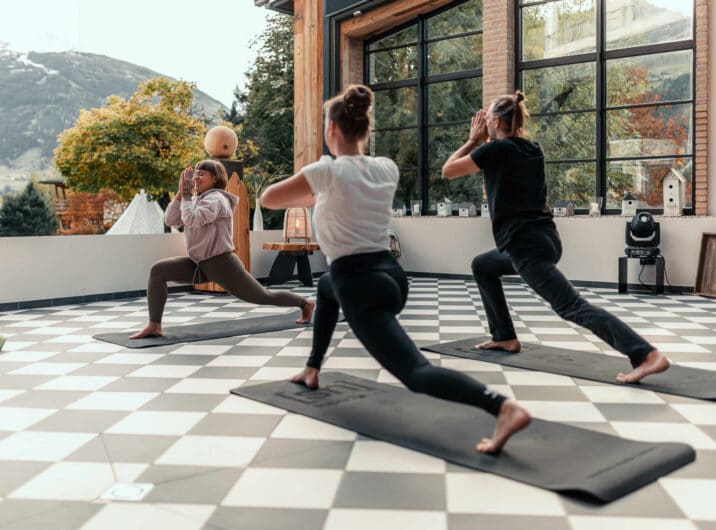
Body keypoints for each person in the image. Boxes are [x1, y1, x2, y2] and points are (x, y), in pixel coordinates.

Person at [260, 84, 531, 454]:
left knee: (415, 373)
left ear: (332, 130)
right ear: (365, 129)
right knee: (325, 290)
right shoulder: (384, 168)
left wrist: (317, 189)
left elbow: (269, 198)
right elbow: (348, 195)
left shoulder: (326, 171)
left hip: (358, 283)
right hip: (390, 276)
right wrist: (322, 193)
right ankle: (312, 368)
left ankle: (502, 407)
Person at [441, 91, 670, 384]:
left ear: (496, 120)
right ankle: (505, 337)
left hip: (525, 247)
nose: (483, 123)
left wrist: (473, 140)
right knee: (483, 266)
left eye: (486, 118)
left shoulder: (494, 150)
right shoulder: (531, 149)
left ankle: (646, 354)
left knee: (571, 307)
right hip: (546, 240)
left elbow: (448, 170)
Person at [130, 159, 314, 339]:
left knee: (262, 297)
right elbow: (171, 220)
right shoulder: (195, 199)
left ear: (215, 179)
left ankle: (305, 304)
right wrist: (180, 195)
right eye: (195, 173)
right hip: (199, 263)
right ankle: (154, 325)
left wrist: (186, 196)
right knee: (158, 270)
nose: (196, 177)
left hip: (221, 263)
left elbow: (192, 219)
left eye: (202, 173)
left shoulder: (217, 199)